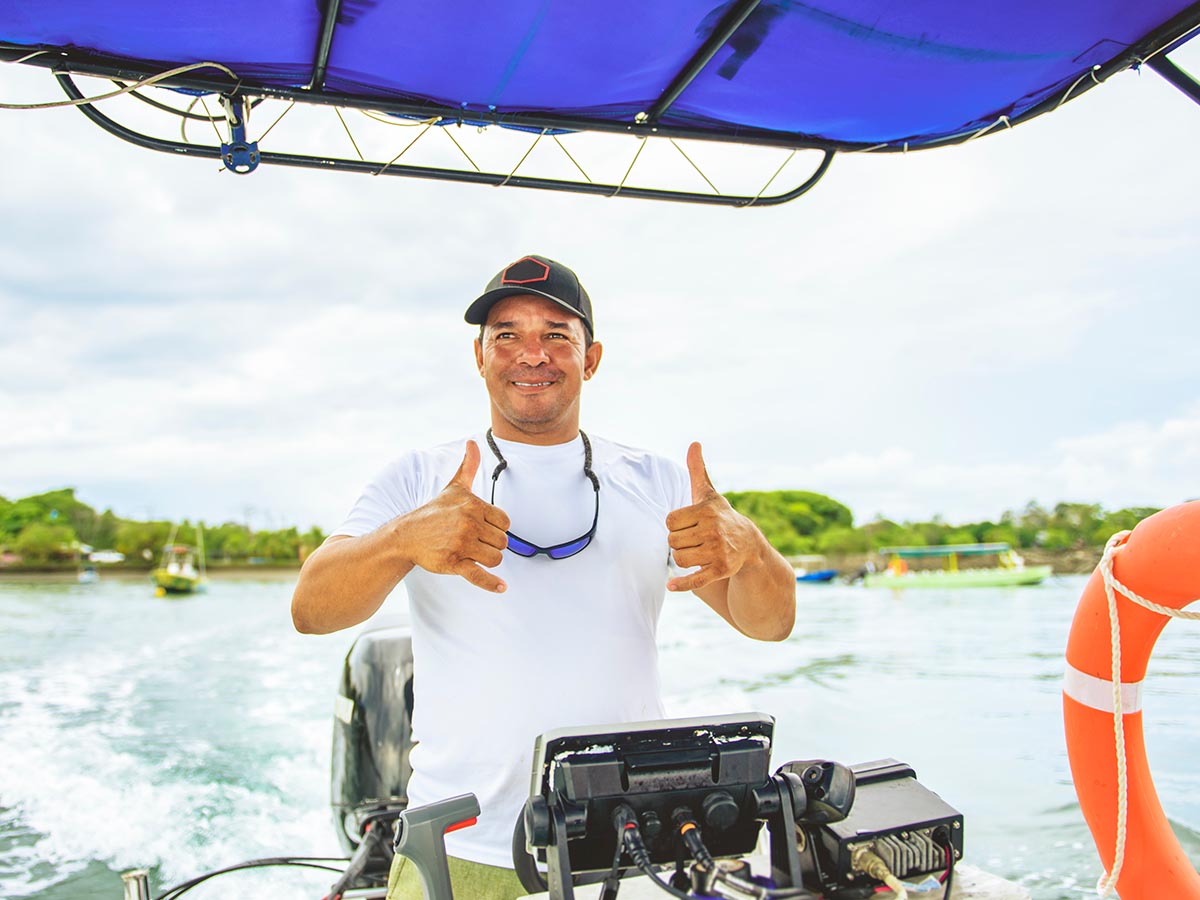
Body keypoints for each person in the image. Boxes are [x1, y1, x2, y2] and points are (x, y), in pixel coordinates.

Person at [291, 254, 797, 900]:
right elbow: (311, 607)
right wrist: (405, 539)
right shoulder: (419, 478)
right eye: (507, 335)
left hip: (626, 850)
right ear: (479, 357)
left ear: (591, 359)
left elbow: (772, 622)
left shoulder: (660, 483)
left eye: (557, 334)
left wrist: (751, 551)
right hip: (459, 853)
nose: (532, 353)